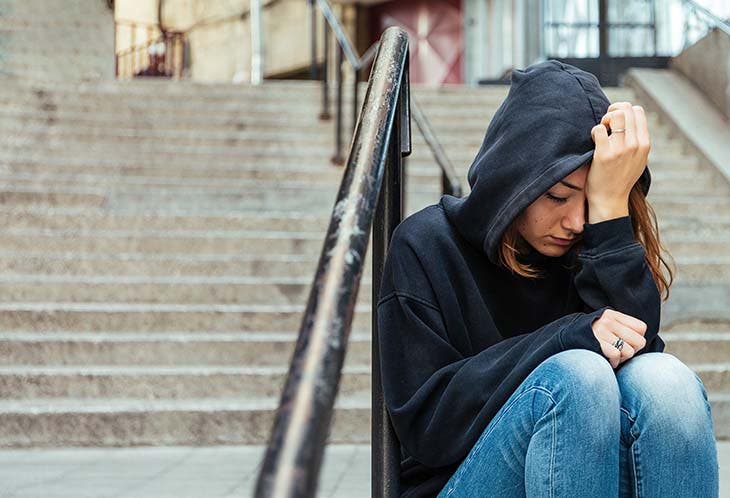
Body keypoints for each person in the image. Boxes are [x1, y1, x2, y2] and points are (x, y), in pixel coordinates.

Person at [376, 60, 720, 498]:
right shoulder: (426, 245)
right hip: (457, 481)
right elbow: (429, 429)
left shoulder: (589, 242)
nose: (576, 221)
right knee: (578, 376)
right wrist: (565, 340)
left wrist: (611, 211)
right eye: (558, 196)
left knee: (667, 381)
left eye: (591, 200)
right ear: (514, 179)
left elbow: (638, 349)